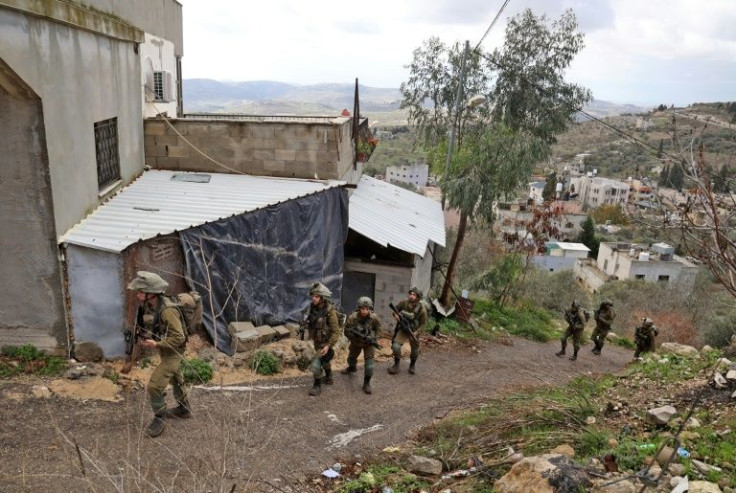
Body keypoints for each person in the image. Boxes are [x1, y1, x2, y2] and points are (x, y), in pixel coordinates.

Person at [127, 271, 190, 438]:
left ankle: (159, 417)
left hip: (174, 350)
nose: (138, 294)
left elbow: (179, 337)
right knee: (176, 378)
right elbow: (154, 325)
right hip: (166, 348)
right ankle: (184, 408)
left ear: (152, 293)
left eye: (141, 291)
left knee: (155, 385)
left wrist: (157, 344)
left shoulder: (168, 310)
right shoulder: (152, 305)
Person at [304, 281, 341, 397]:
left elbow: (336, 332)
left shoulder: (330, 312)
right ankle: (329, 377)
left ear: (323, 298)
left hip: (326, 343)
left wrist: (328, 345)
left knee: (315, 365)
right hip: (317, 341)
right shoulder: (312, 308)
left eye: (317, 296)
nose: (313, 299)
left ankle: (317, 385)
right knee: (324, 360)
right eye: (313, 296)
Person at [341, 296, 383, 394]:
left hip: (369, 343)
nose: (364, 311)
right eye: (362, 308)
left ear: (369, 309)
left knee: (369, 366)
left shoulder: (374, 318)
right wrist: (355, 336)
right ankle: (352, 367)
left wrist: (374, 338)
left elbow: (379, 329)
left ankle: (367, 383)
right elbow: (346, 331)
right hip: (356, 342)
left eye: (366, 309)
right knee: (351, 359)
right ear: (359, 308)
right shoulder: (352, 317)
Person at [388, 287, 427, 375]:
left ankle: (412, 365)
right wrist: (396, 316)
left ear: (418, 297)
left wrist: (416, 333)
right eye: (411, 294)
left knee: (415, 349)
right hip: (403, 328)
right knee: (395, 346)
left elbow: (423, 324)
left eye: (414, 295)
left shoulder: (422, 309)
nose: (411, 296)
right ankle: (396, 365)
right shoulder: (404, 303)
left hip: (413, 331)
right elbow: (395, 310)